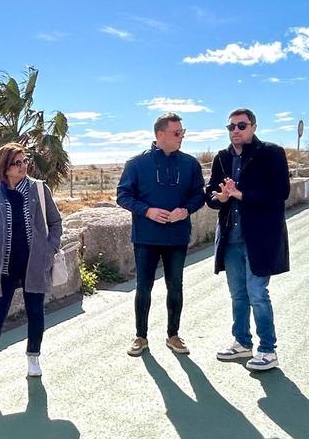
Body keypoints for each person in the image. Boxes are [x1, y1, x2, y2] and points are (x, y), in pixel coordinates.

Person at [0, 142, 63, 383]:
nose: (23, 166)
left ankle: (33, 359)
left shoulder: (39, 189)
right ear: (4, 167)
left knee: (35, 312)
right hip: (4, 267)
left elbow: (56, 222)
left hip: (34, 264)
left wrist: (49, 250)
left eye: (24, 161)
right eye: (17, 163)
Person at [207, 108, 289, 371]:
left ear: (253, 126)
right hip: (231, 236)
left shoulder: (272, 154)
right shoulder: (221, 158)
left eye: (241, 126)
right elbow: (211, 193)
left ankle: (268, 350)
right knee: (238, 294)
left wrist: (241, 195)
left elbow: (280, 194)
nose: (235, 131)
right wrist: (219, 198)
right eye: (230, 127)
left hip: (260, 237)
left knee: (257, 293)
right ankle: (242, 343)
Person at [117, 112, 205, 357]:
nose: (181, 137)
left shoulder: (190, 164)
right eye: (177, 133)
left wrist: (185, 210)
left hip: (177, 237)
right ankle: (140, 336)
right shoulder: (136, 164)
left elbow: (199, 195)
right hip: (146, 238)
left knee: (175, 286)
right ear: (160, 135)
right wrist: (147, 211)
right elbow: (123, 196)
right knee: (143, 288)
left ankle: (173, 335)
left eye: (183, 133)